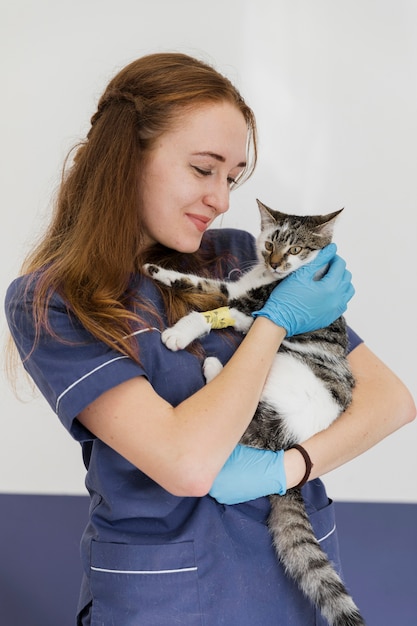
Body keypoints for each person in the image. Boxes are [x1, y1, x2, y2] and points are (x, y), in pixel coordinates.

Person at [5, 52, 415, 626]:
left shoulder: (241, 254)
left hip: (298, 581)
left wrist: (289, 467)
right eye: (203, 169)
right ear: (125, 159)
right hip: (169, 600)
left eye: (233, 177)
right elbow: (188, 464)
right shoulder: (52, 299)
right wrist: (274, 322)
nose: (221, 199)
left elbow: (390, 400)